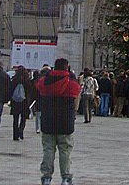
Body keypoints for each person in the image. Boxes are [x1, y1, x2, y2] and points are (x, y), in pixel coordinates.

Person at [38, 57, 81, 185]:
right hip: (65, 122)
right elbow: (77, 92)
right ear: (66, 67)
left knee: (48, 150)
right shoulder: (71, 82)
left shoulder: (45, 81)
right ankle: (65, 177)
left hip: (48, 121)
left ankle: (46, 177)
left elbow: (38, 85)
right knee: (65, 151)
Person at [10, 65, 32, 140]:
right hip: (24, 102)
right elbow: (29, 91)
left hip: (15, 102)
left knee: (15, 119)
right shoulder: (27, 80)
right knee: (23, 118)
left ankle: (15, 135)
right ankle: (20, 131)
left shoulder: (14, 79)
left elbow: (10, 90)